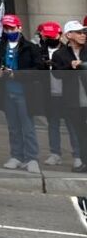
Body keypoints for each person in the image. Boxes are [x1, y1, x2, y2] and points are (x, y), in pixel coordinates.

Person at [0, 14, 42, 173]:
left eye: (11, 28)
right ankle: (16, 156)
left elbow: (39, 69)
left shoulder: (31, 47)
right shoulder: (0, 46)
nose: (9, 30)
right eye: (6, 28)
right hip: (7, 92)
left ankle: (31, 158)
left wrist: (17, 75)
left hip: (25, 93)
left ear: (19, 28)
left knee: (28, 128)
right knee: (13, 127)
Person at [38, 21, 81, 168]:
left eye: (52, 35)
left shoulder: (68, 51)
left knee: (73, 126)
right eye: (46, 36)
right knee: (53, 125)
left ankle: (78, 155)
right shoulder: (40, 51)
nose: (49, 38)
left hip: (68, 95)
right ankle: (55, 154)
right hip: (50, 94)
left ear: (60, 35)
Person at [51, 21, 87, 173]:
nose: (83, 35)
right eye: (78, 32)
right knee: (80, 133)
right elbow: (56, 73)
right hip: (73, 101)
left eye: (84, 32)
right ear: (69, 35)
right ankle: (84, 162)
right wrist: (70, 66)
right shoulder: (60, 54)